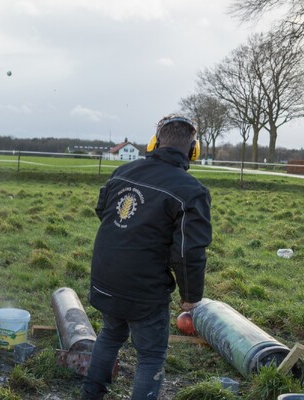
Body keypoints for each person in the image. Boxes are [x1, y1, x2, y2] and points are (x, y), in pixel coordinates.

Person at [81, 115, 212, 400]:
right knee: (151, 355)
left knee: (111, 334)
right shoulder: (191, 191)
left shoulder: (122, 172)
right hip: (144, 290)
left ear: (155, 142)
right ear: (193, 149)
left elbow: (103, 211)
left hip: (105, 277)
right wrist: (191, 295)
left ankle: (90, 395)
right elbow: (188, 250)